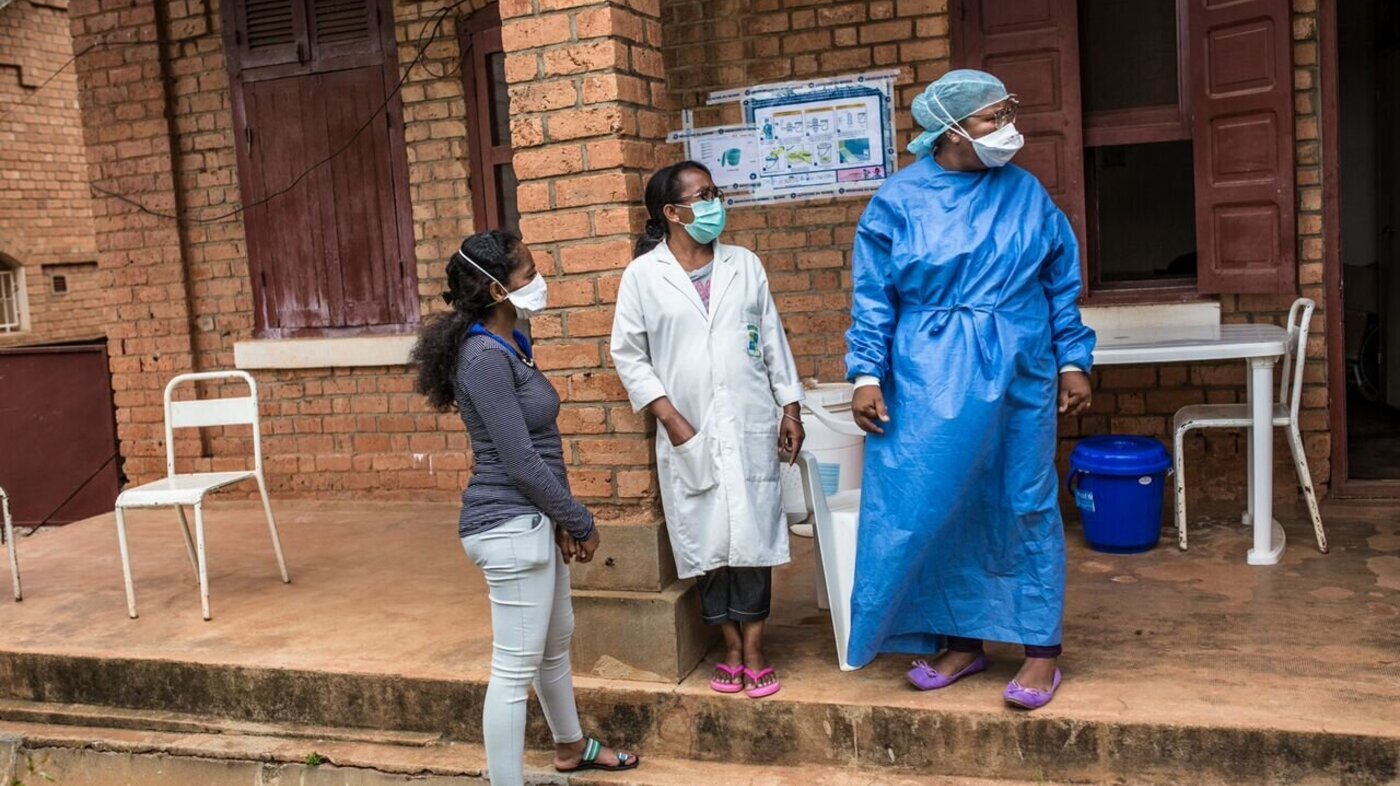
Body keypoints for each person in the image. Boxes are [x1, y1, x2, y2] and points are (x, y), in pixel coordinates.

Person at [844, 70, 1096, 711]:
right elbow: (874, 297)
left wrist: (1074, 359)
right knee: (942, 500)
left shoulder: (1026, 194)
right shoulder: (898, 200)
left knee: (1023, 496)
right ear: (951, 129)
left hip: (1018, 363)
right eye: (992, 117)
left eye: (1009, 111)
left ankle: (1041, 649)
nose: (1008, 126)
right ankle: (963, 639)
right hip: (931, 372)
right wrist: (867, 374)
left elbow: (1060, 282)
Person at [411, 230, 639, 783]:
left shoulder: (514, 341)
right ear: (494, 290)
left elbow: (542, 447)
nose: (538, 282)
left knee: (553, 645)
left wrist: (560, 517)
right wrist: (579, 519)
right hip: (508, 526)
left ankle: (571, 747)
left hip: (533, 520)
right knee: (513, 671)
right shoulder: (483, 356)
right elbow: (518, 459)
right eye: (528, 275)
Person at [610, 162, 805, 699]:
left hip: (749, 419)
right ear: (673, 213)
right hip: (688, 429)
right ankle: (730, 646)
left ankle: (758, 647)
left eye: (716, 193)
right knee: (707, 542)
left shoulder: (745, 264)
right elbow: (628, 353)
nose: (716, 203)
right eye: (703, 196)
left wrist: (790, 407)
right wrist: (670, 417)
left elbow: (771, 338)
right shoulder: (643, 276)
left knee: (755, 538)